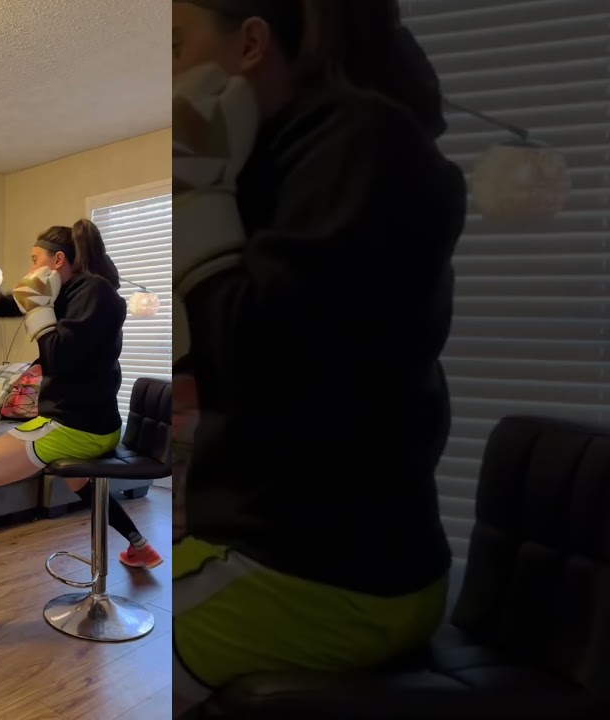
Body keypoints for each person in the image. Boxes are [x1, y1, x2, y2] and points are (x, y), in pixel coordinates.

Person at [170, 0, 466, 711]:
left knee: (92, 676)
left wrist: (196, 191)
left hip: (324, 578)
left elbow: (256, 355)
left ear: (250, 44)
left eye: (175, 47)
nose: (163, 79)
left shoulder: (362, 143)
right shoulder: (281, 159)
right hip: (305, 553)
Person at [0, 219, 161, 640]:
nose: (29, 267)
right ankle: (138, 545)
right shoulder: (72, 291)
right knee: (78, 480)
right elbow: (11, 306)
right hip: (87, 422)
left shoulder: (95, 294)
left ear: (57, 261)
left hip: (77, 425)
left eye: (34, 259)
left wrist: (39, 310)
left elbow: (58, 357)